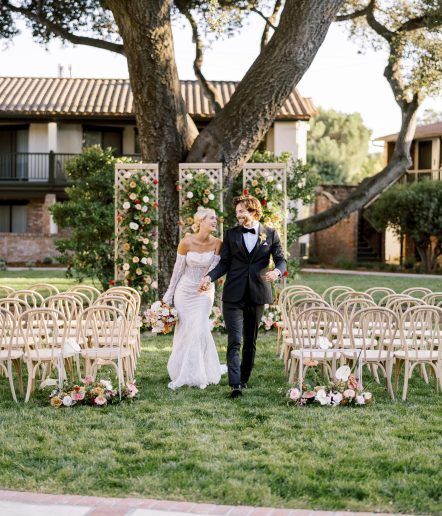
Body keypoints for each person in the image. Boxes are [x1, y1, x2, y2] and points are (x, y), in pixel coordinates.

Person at [199, 195, 286, 398]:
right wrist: (209, 277)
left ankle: (245, 378)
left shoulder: (271, 234)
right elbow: (224, 263)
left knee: (250, 341)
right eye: (237, 211)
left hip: (257, 293)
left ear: (253, 211)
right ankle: (235, 384)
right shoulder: (231, 235)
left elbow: (281, 260)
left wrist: (276, 272)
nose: (238, 215)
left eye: (241, 211)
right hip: (233, 294)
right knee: (235, 339)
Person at [162, 207, 226, 390]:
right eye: (212, 218)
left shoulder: (217, 243)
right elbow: (177, 271)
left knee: (199, 328)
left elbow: (213, 269)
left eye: (216, 218)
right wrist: (169, 294)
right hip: (184, 291)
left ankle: (200, 372)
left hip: (204, 293)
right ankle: (181, 370)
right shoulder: (186, 241)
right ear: (201, 222)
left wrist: (205, 283)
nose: (215, 221)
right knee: (186, 330)